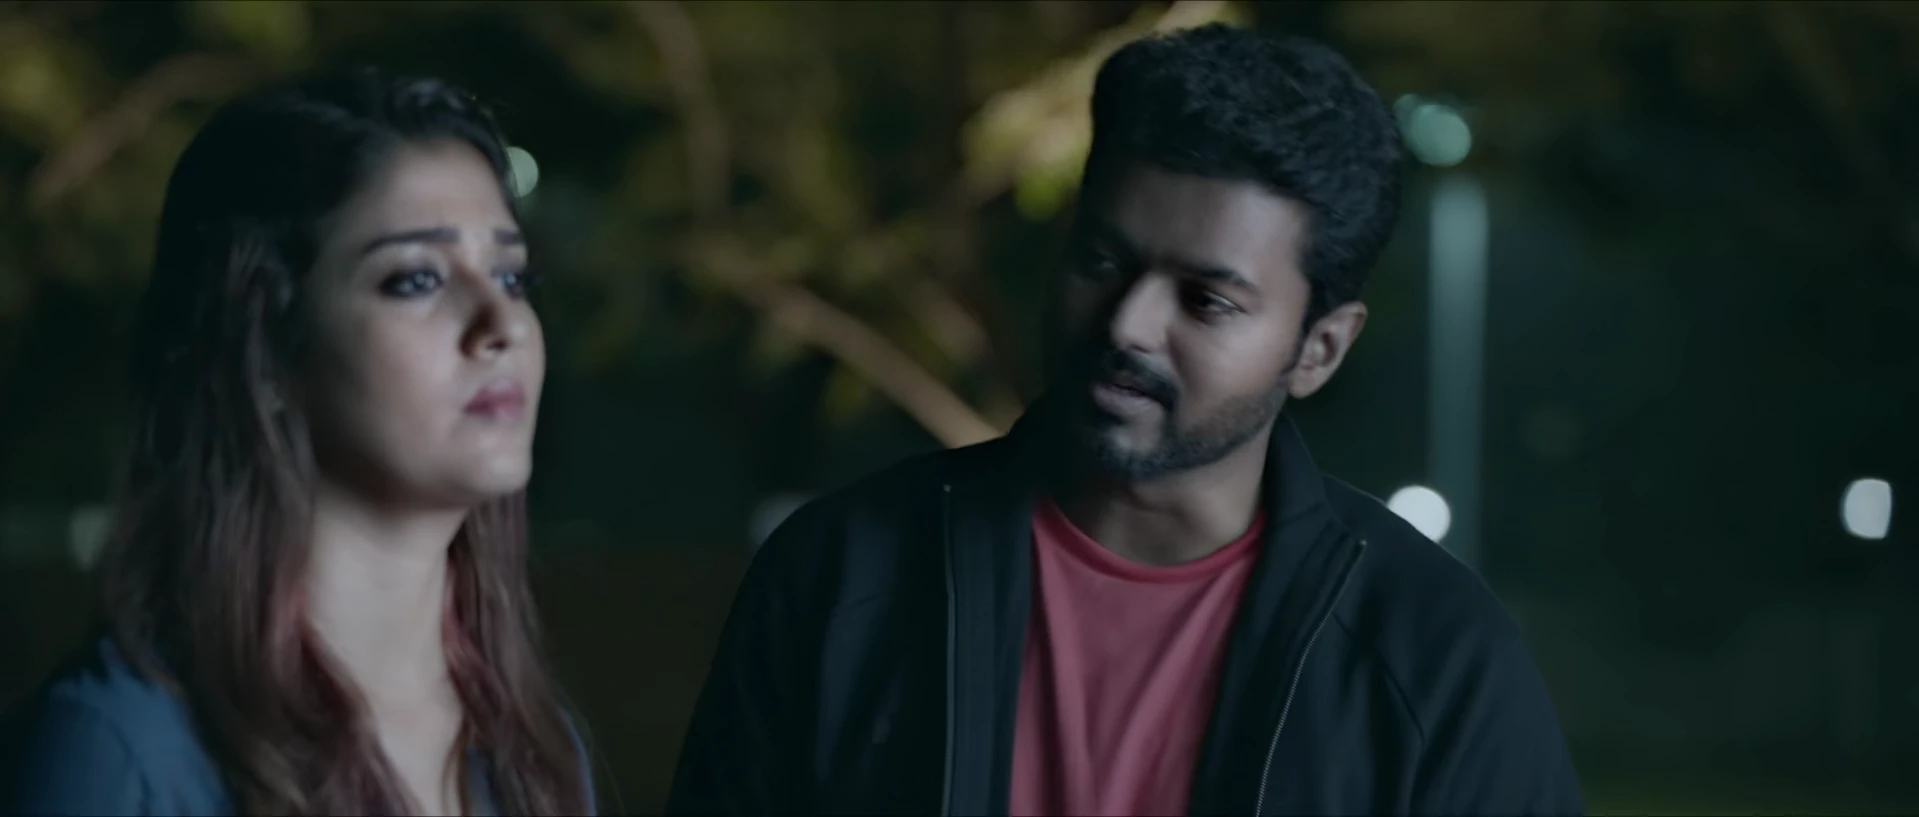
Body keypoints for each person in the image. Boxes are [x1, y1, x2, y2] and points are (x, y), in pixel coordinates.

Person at [668, 24, 1582, 817]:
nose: (1128, 324)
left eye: (1206, 299)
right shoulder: (843, 576)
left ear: (1320, 349)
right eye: (1102, 260)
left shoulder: (1434, 657)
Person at [0, 68, 595, 816]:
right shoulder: (123, 753)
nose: (500, 324)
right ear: (268, 349)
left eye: (512, 277)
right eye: (416, 280)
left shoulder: (535, 754)